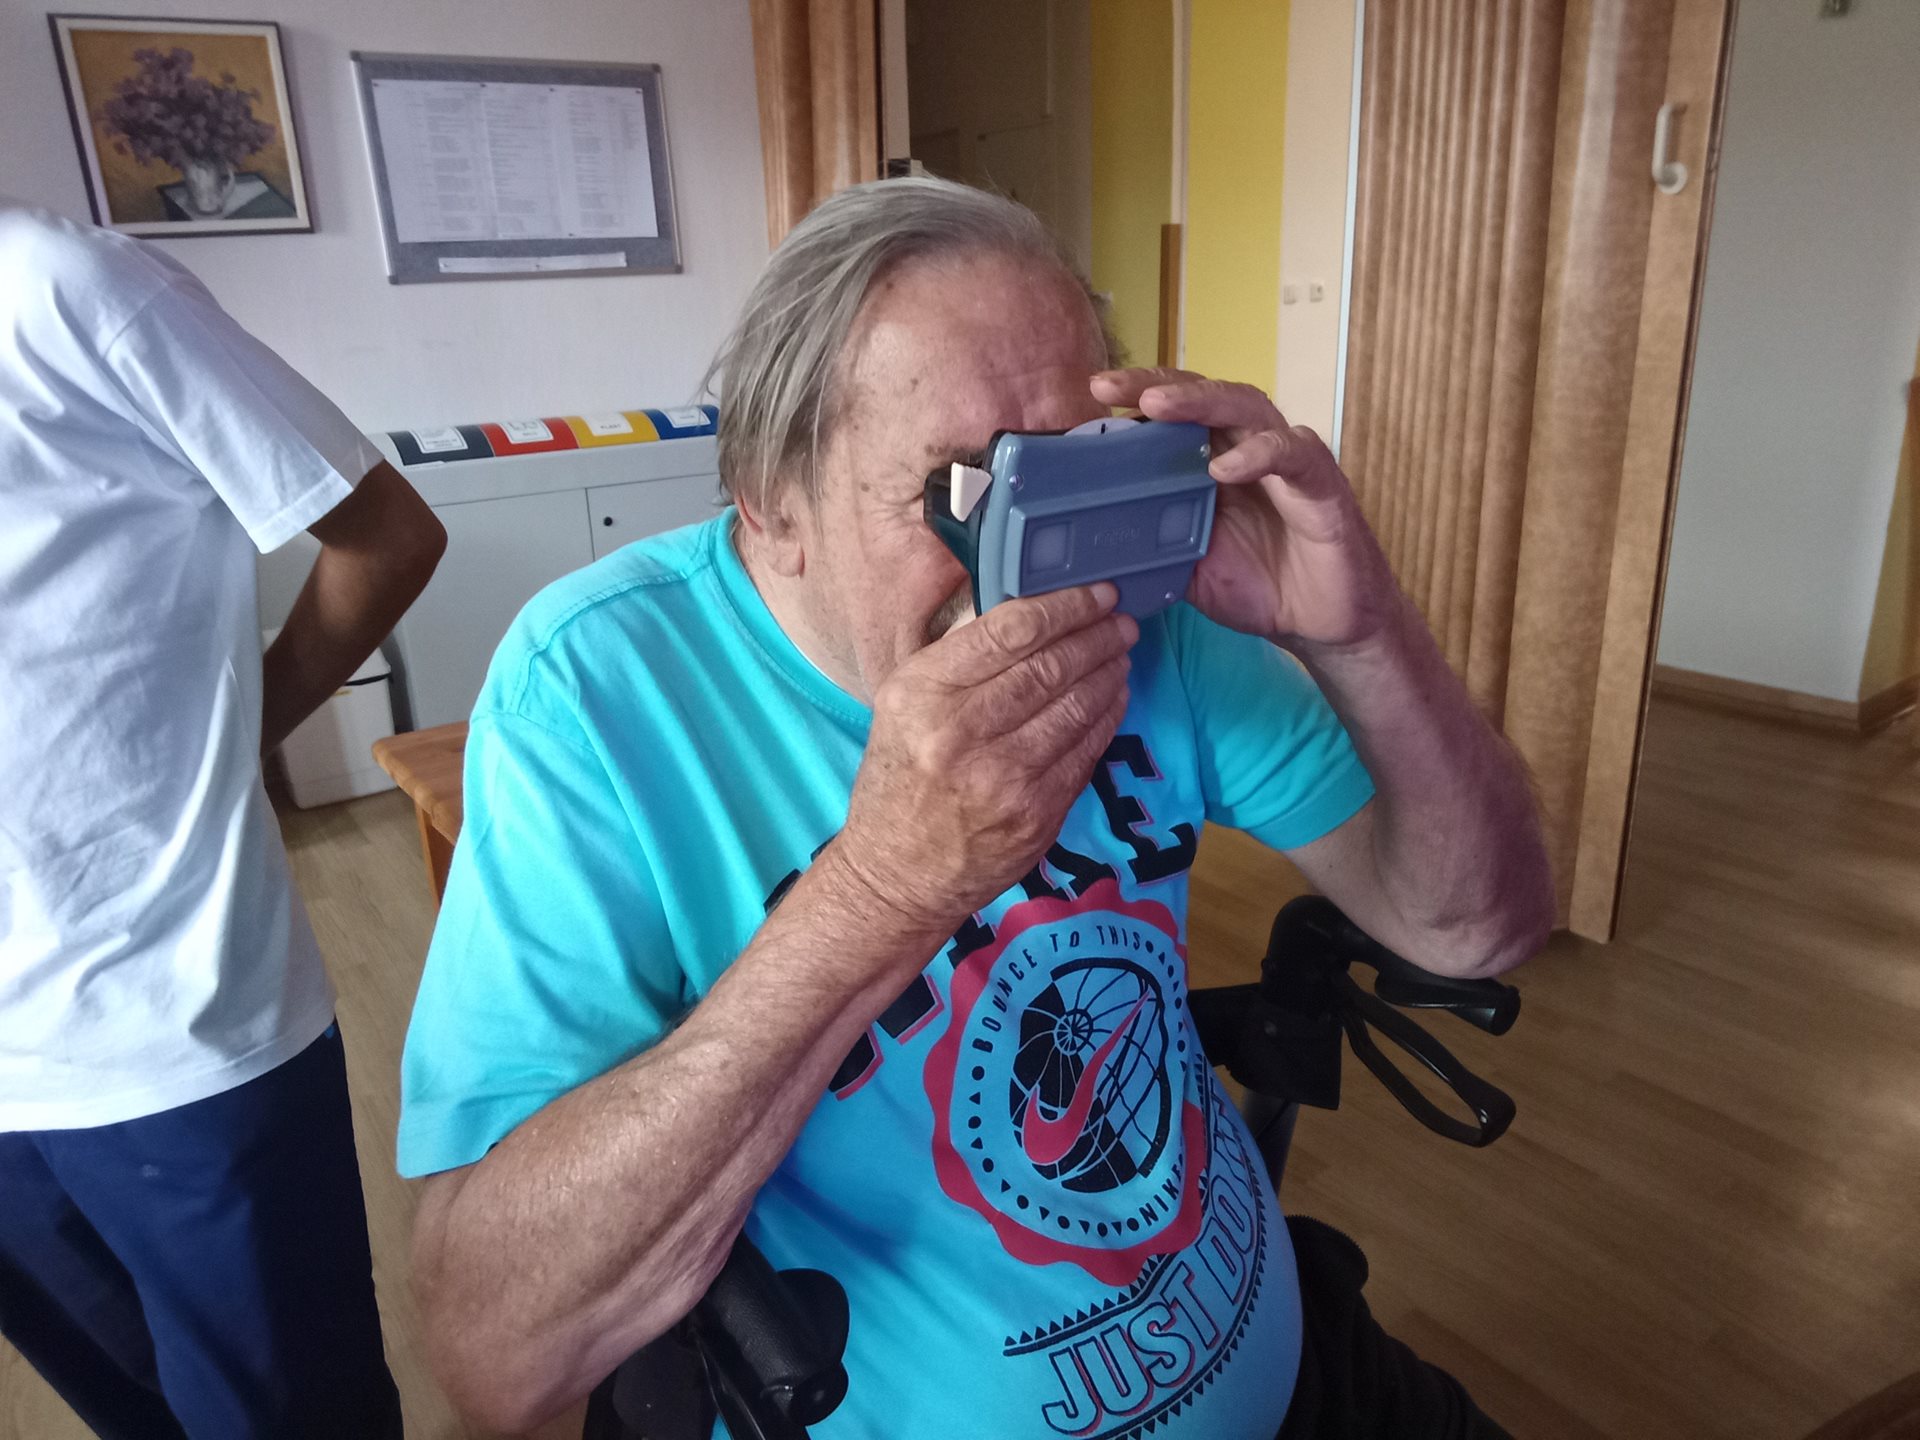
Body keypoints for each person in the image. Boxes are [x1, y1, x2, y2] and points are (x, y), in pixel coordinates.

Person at [399, 177, 1553, 1438]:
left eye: (1073, 472)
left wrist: (1362, 636)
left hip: (1292, 1369)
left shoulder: (1150, 622)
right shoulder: (596, 687)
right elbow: (496, 1355)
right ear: (772, 506)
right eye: (961, 493)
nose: (1026, 576)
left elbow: (1474, 928)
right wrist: (882, 887)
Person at [0, 199, 445, 1439]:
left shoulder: (61, 289)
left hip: (165, 1012)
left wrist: (246, 730)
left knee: (289, 1418)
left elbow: (387, 536)